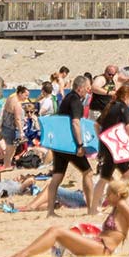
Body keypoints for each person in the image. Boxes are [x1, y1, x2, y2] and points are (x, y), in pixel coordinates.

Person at [5, 182, 129, 257]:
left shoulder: (122, 204)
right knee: (57, 231)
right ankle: (22, 255)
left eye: (109, 194)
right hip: (98, 245)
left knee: (56, 231)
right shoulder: (117, 207)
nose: (107, 196)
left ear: (117, 195)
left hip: (102, 249)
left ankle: (21, 255)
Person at [45, 76, 98, 216]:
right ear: (80, 88)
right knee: (88, 172)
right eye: (87, 89)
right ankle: (91, 209)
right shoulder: (75, 101)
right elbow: (75, 123)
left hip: (60, 143)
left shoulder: (67, 98)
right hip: (70, 144)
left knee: (57, 176)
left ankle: (50, 211)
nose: (88, 92)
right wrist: (80, 145)